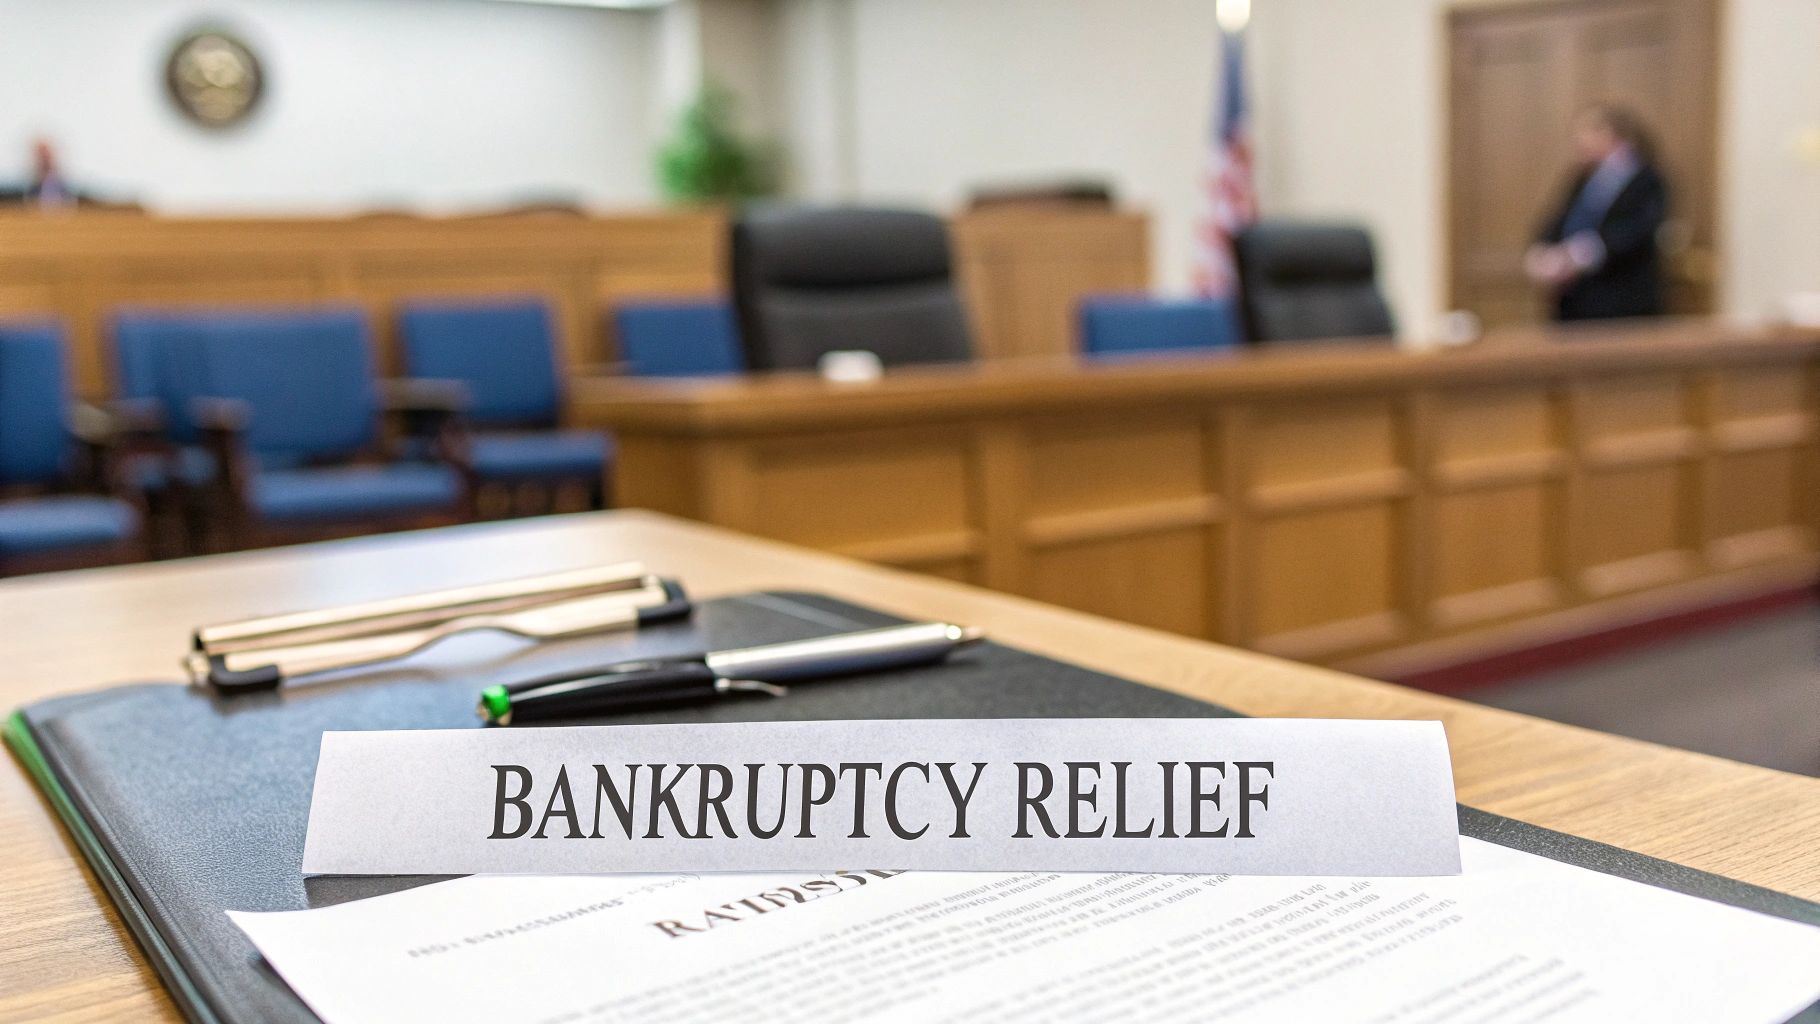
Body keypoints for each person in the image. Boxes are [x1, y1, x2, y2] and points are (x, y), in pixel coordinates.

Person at [1525, 107, 1669, 322]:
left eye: (1585, 132)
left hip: (1622, 303)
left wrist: (1578, 256)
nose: (1578, 141)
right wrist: (1542, 252)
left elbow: (1635, 232)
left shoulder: (1647, 180)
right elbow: (1557, 220)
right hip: (1575, 303)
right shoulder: (1581, 178)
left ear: (1608, 134)